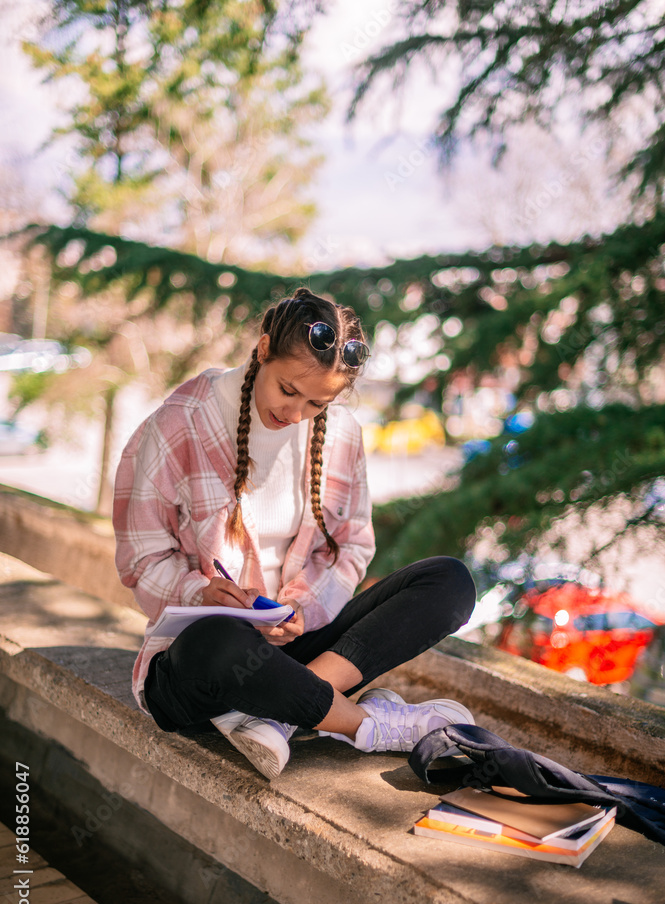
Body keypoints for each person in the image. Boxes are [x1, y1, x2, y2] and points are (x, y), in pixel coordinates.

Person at [113, 287, 477, 780]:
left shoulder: (342, 434)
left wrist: (308, 605)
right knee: (218, 642)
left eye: (317, 403)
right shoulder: (180, 424)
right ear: (263, 350)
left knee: (449, 581)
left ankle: (280, 707)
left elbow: (352, 546)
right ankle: (365, 725)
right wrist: (199, 591)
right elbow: (142, 559)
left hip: (298, 644)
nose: (297, 414)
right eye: (288, 390)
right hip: (207, 665)